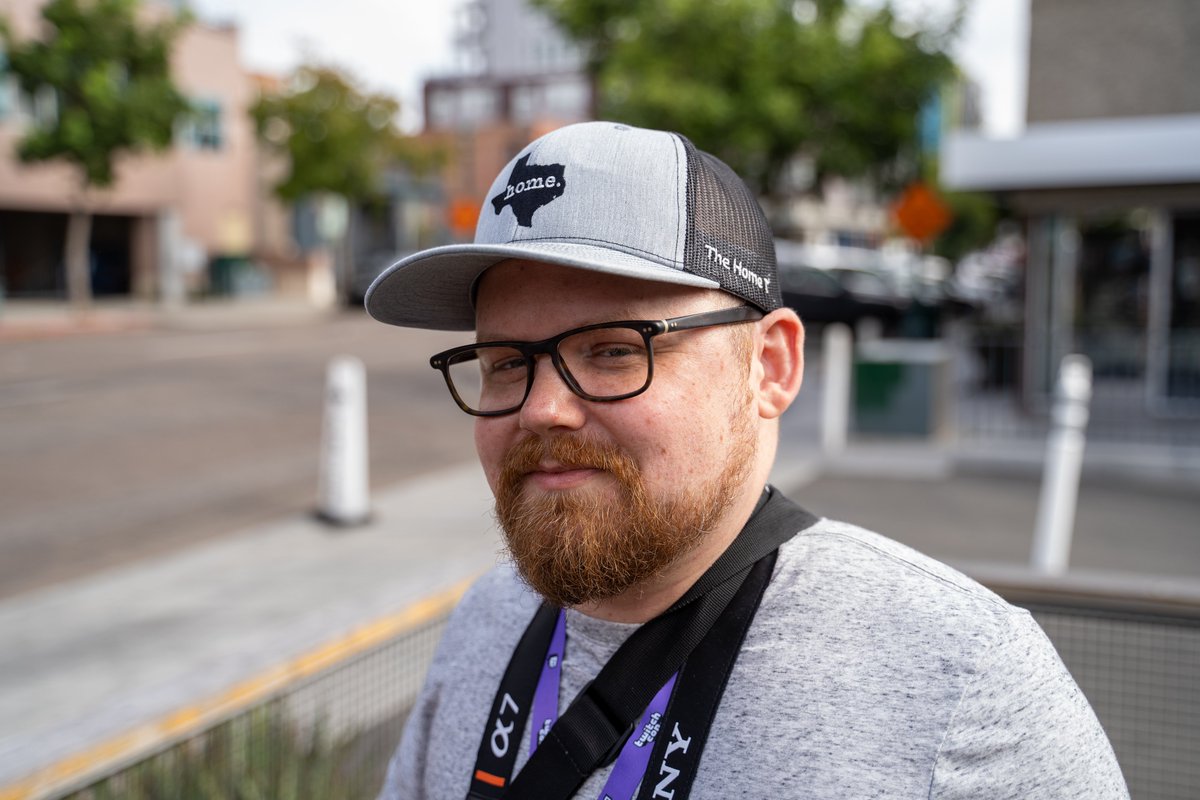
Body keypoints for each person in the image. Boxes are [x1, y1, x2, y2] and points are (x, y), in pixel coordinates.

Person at [364, 121, 1128, 800]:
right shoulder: (485, 624)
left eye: (611, 350)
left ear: (770, 366)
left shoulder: (961, 688)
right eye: (504, 362)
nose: (540, 408)